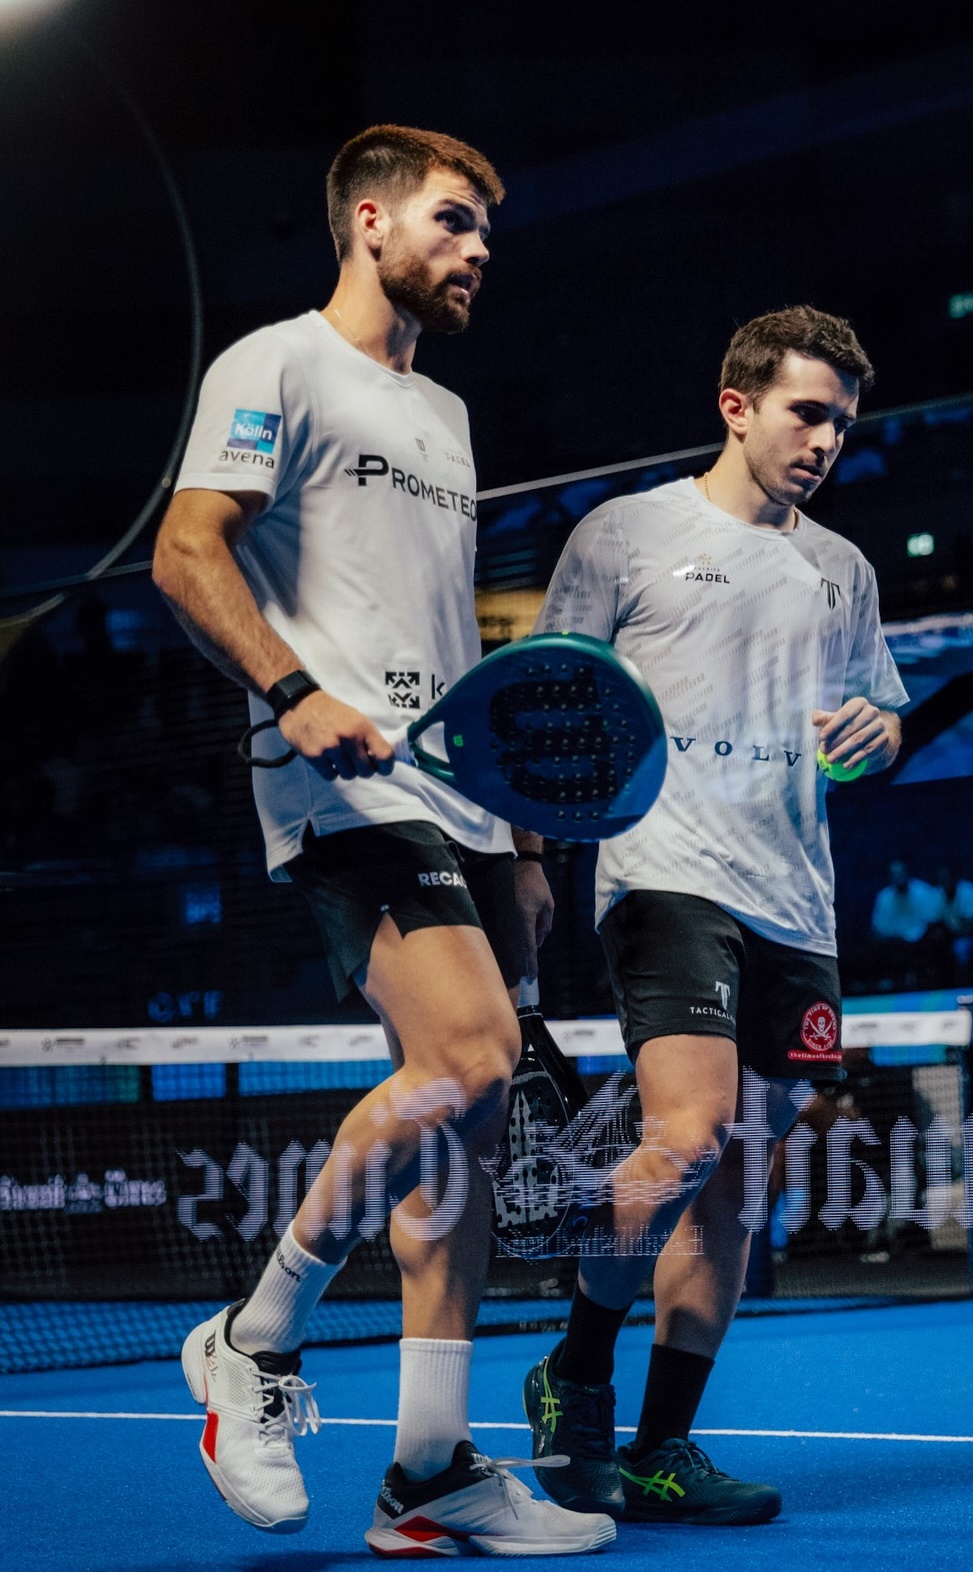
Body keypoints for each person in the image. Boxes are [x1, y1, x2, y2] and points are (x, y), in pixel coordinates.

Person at [151, 124, 611, 1556]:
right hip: (339, 780)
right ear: (367, 220)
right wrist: (294, 694)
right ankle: (254, 1333)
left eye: (487, 233)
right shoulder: (274, 364)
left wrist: (524, 841)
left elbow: (442, 641)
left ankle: (427, 1476)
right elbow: (186, 549)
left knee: (462, 1143)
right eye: (456, 222)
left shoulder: (448, 418)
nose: (478, 251)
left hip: (464, 798)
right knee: (468, 1058)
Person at [521, 307, 907, 1525]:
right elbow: (539, 706)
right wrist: (531, 863)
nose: (826, 440)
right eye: (807, 412)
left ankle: (659, 1450)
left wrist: (874, 738)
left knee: (740, 1179)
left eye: (842, 422)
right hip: (666, 876)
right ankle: (571, 1370)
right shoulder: (626, 534)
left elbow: (879, 719)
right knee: (687, 1137)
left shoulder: (842, 569)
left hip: (799, 900)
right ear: (737, 405)